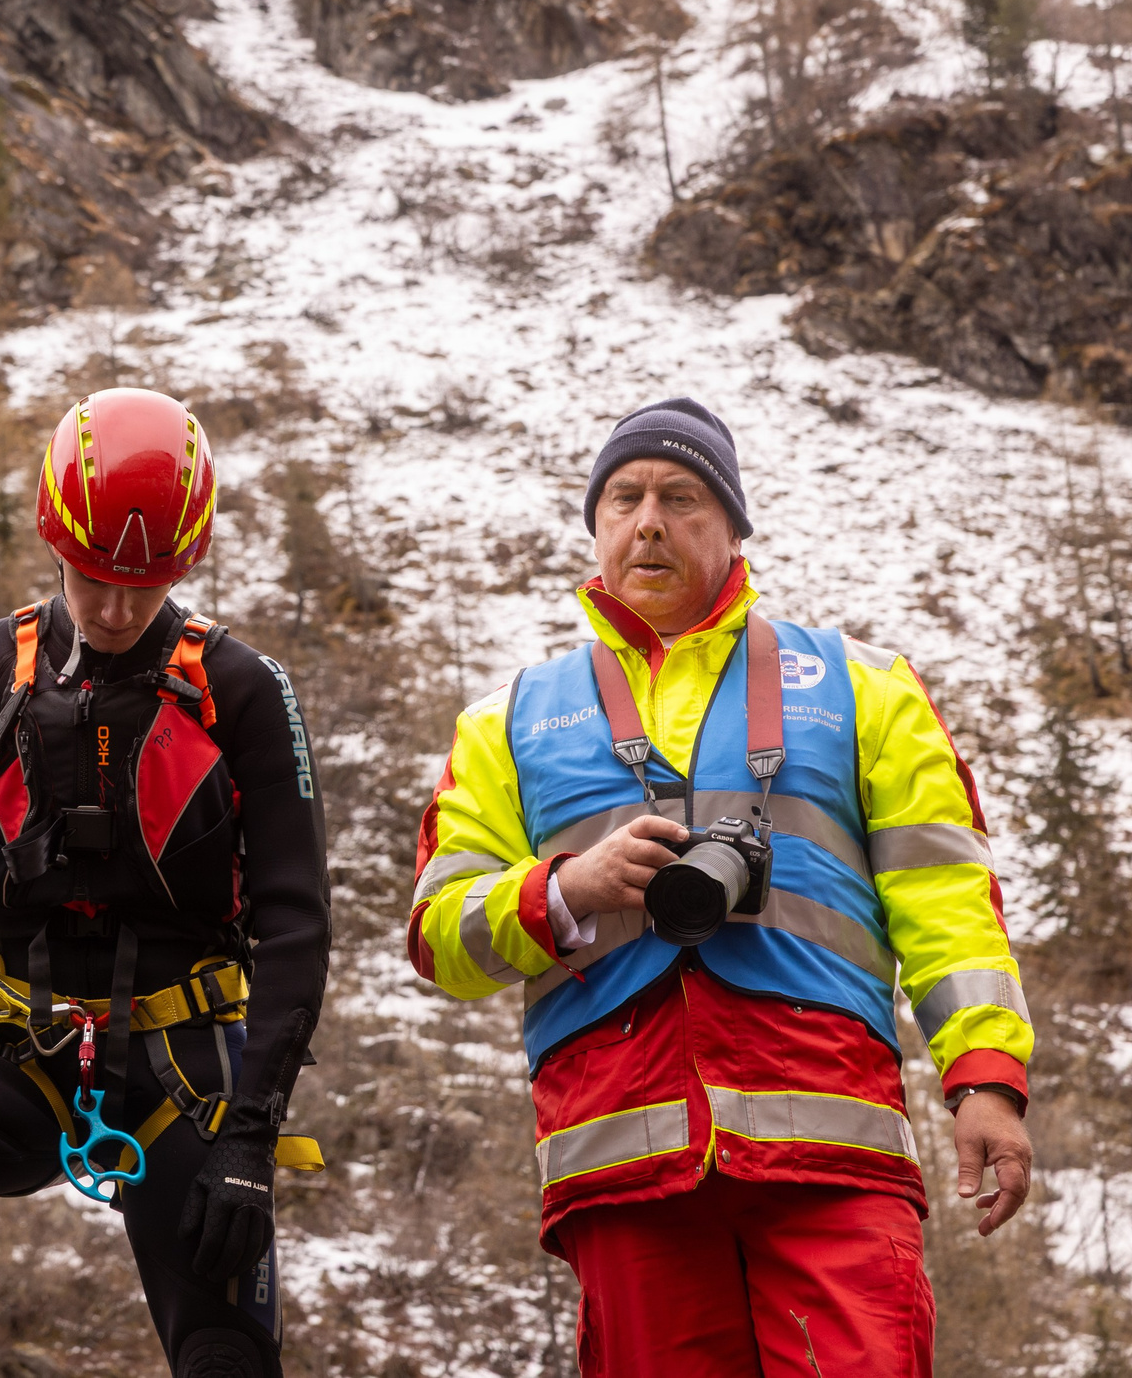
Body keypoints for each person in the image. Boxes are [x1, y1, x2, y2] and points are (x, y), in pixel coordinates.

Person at [408, 397, 1035, 1378]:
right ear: (597, 525)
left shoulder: (864, 684)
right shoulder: (507, 724)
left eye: (681, 496)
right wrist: (568, 888)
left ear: (733, 528)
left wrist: (985, 1080)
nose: (647, 519)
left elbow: (949, 904)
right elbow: (439, 938)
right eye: (623, 497)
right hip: (620, 1161)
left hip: (830, 1148)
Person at [0, 388, 332, 1378]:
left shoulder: (245, 691)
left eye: (148, 583)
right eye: (93, 579)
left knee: (226, 1354)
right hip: (20, 1051)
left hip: (187, 1078)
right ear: (54, 542)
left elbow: (297, 922)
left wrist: (251, 1139)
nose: (118, 608)